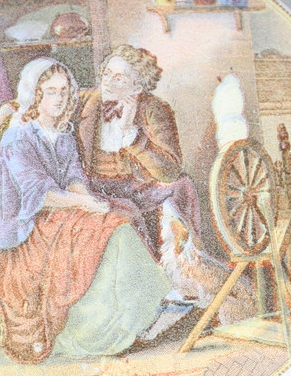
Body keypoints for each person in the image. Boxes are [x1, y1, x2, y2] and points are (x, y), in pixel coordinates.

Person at [0, 58, 172, 363]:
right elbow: (39, 194)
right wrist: (84, 205)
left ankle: (147, 310)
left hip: (57, 215)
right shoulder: (18, 137)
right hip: (24, 229)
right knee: (108, 229)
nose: (59, 99)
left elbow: (74, 179)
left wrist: (90, 202)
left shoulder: (63, 135)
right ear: (35, 95)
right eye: (50, 92)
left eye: (64, 91)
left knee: (114, 220)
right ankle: (107, 325)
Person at [75, 45, 205, 256]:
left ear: (137, 86)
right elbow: (40, 100)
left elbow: (170, 171)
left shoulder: (154, 109)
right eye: (106, 74)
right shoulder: (88, 100)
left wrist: (130, 133)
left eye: (119, 78)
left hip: (138, 189)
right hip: (94, 188)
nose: (108, 82)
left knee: (181, 186)